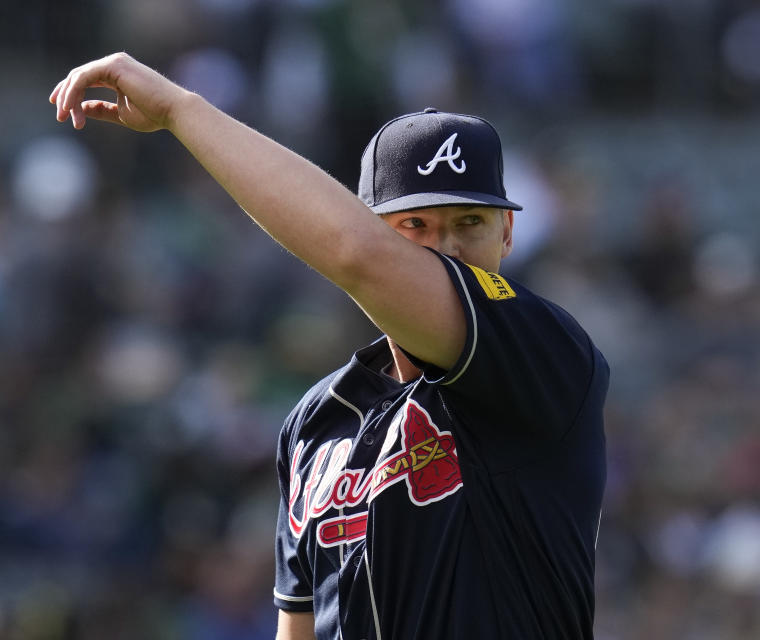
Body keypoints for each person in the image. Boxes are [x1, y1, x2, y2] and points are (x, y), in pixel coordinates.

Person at [51, 52, 608, 640]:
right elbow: (299, 627)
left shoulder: (545, 353)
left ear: (508, 234)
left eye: (470, 222)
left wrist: (181, 110)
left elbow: (358, 257)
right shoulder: (317, 419)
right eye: (413, 226)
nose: (444, 248)